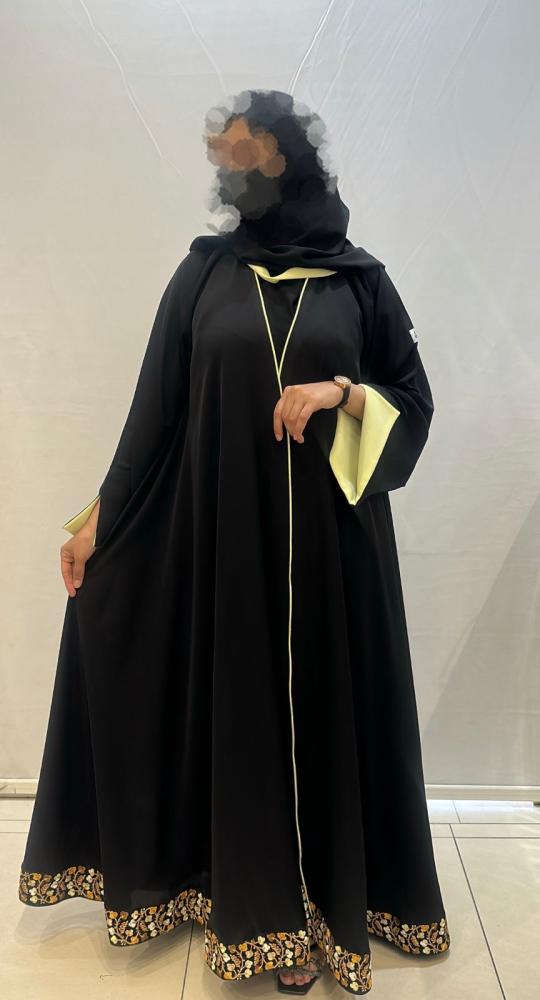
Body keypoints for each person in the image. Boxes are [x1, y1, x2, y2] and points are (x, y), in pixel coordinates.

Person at [18, 89, 450, 996]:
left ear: (290, 158)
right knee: (245, 715)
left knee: (322, 713)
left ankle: (328, 908)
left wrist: (343, 393)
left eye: (246, 156)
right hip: (228, 546)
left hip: (334, 558)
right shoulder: (204, 274)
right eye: (225, 162)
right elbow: (154, 412)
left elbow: (413, 402)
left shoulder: (360, 281)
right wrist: (99, 522)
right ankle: (260, 913)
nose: (232, 177)